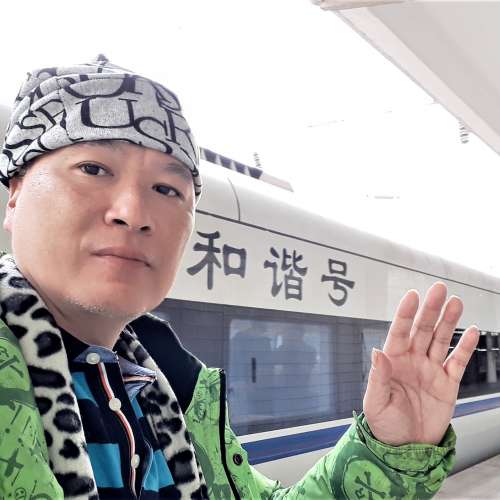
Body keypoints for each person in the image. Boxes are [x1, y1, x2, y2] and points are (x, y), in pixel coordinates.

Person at [0, 55, 479, 499]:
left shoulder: (172, 385)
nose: (133, 212)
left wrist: (390, 451)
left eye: (166, 189)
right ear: (15, 195)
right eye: (93, 168)